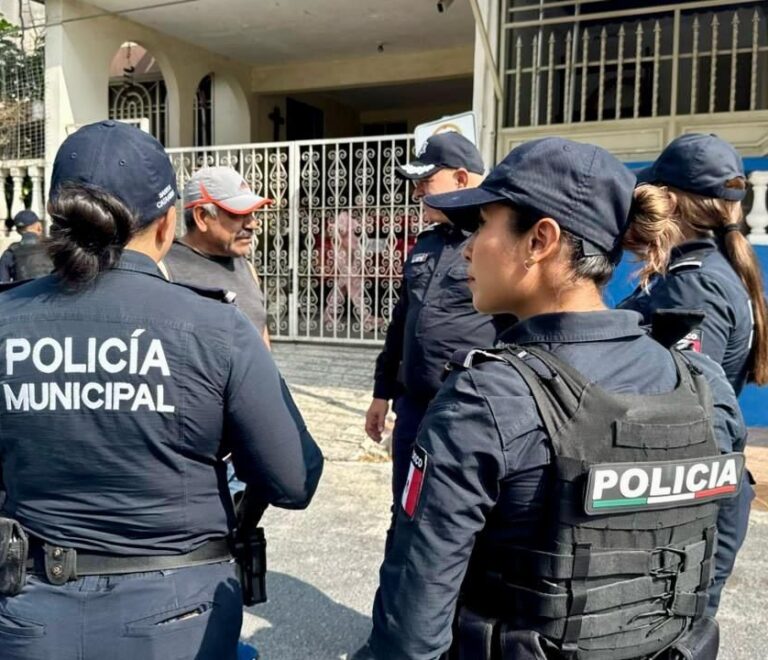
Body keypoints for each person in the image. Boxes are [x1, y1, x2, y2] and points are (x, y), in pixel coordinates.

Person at [353, 137, 747, 660]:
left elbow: (411, 631)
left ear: (539, 240)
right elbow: (718, 550)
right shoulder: (702, 384)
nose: (468, 248)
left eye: (483, 225)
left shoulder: (484, 401)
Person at [0, 120, 323, 660]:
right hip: (178, 622)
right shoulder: (215, 327)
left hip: (30, 618)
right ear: (169, 222)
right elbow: (294, 478)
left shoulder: (7, 317)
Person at [618, 133, 767, 614]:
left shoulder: (695, 284)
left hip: (686, 508)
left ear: (671, 202)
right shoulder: (706, 270)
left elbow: (684, 411)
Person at [365, 131, 510, 527]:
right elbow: (402, 321)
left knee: (456, 519)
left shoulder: (496, 242)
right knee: (405, 510)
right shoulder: (428, 242)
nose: (417, 193)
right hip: (412, 407)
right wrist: (382, 393)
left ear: (461, 179)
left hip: (468, 410)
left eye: (425, 182)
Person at [162, 166, 273, 348]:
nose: (252, 224)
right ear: (202, 216)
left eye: (252, 214)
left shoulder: (247, 268)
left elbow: (262, 339)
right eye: (238, 214)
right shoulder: (164, 270)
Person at [0, 209, 52, 282]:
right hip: (52, 289)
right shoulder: (53, 247)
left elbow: (3, 283)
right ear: (39, 226)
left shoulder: (10, 253)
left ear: (18, 231)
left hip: (24, 289)